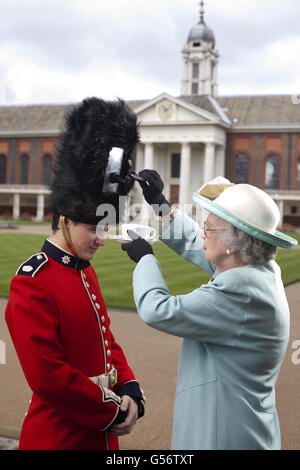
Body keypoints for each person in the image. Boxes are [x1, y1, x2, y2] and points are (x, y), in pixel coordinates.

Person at [5, 98, 145, 450]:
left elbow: (106, 340)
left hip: (100, 436)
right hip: (59, 438)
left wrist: (128, 386)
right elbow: (49, 377)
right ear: (66, 219)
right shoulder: (32, 282)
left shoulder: (85, 272)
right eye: (94, 227)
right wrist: (112, 409)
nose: (102, 238)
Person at [121, 171, 298, 450]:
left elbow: (159, 310)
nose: (203, 232)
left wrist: (145, 258)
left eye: (210, 227)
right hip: (243, 425)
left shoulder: (240, 288)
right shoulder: (257, 269)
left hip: (221, 432)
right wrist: (160, 204)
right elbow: (199, 243)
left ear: (234, 241)